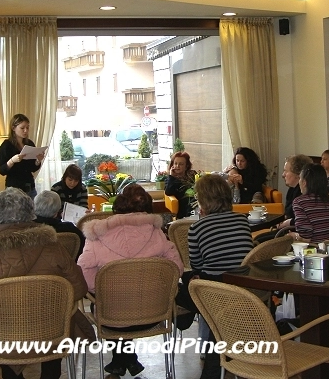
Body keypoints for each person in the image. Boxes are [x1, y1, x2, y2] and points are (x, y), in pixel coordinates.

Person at [0, 187, 91, 379]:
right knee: (61, 320)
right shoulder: (53, 245)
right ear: (31, 213)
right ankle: (51, 374)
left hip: (2, 339)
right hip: (52, 334)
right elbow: (79, 288)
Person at [77, 184, 183, 377]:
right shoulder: (158, 234)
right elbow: (177, 269)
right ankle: (128, 358)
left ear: (119, 204)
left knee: (108, 302)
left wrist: (101, 289)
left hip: (111, 317)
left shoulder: (97, 235)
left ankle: (120, 360)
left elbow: (82, 273)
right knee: (127, 301)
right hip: (153, 314)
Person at [175, 174, 253, 379]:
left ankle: (184, 317)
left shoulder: (197, 228)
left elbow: (197, 265)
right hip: (243, 286)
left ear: (203, 200)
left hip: (214, 291)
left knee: (181, 285)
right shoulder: (243, 220)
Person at [290, 163, 329, 244]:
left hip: (316, 249)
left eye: (300, 178)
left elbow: (306, 238)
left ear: (304, 182)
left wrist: (294, 236)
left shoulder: (299, 202)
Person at [0, 113, 45, 198]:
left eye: (27, 127)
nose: (25, 130)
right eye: (22, 128)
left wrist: (38, 161)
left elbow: (32, 168)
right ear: (13, 128)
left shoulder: (29, 143)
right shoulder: (6, 145)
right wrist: (12, 161)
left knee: (33, 206)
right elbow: (2, 170)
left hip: (30, 187)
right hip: (14, 189)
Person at [34, 190, 86, 259]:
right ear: (57, 211)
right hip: (66, 263)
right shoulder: (69, 229)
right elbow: (83, 247)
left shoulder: (27, 228)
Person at [275, 154, 314, 230]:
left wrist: (287, 222)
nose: (283, 175)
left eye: (286, 171)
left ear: (298, 174)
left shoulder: (305, 193)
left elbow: (306, 221)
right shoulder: (292, 189)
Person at [165, 151, 197, 219]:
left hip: (196, 204)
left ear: (186, 166)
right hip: (183, 208)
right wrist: (172, 177)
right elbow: (168, 192)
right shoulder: (170, 179)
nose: (177, 166)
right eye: (175, 163)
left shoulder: (193, 175)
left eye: (181, 164)